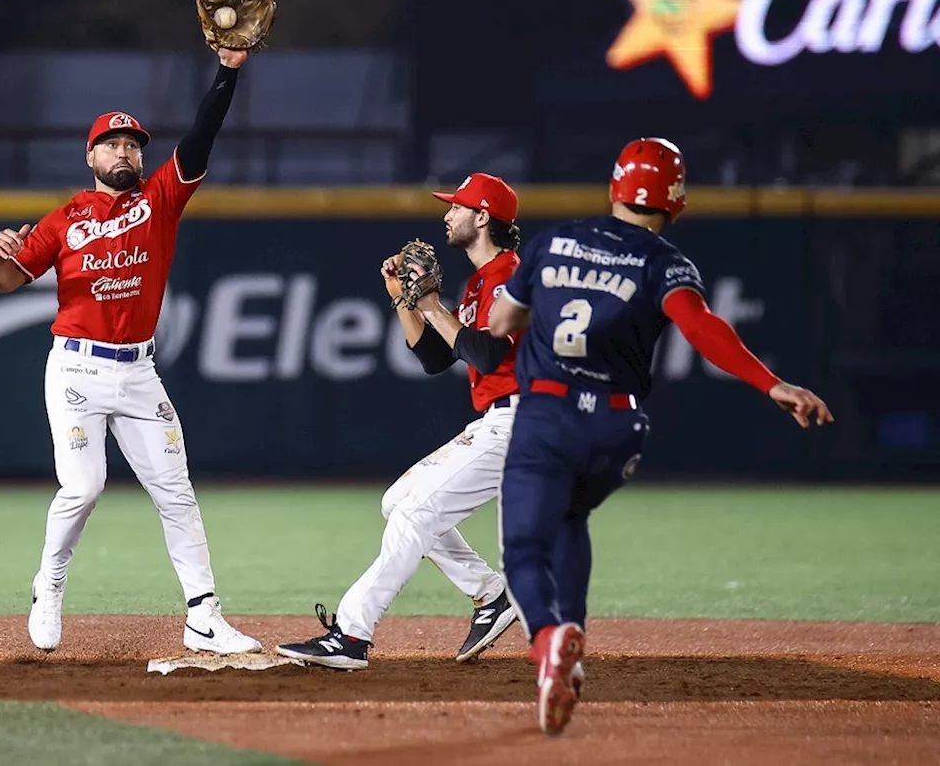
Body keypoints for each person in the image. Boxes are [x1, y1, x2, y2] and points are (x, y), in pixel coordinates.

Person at [487, 137, 834, 735]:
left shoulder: (554, 241)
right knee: (571, 517)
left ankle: (548, 640)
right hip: (618, 427)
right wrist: (770, 383)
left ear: (616, 186)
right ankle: (574, 644)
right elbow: (700, 325)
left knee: (523, 549)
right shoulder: (664, 262)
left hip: (546, 415)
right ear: (676, 201)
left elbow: (501, 322)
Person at [0, 45, 261, 657]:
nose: (125, 151)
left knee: (176, 491)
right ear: (91, 157)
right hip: (77, 369)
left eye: (133, 144)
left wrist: (229, 70)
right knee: (83, 487)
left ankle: (204, 617)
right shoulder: (62, 221)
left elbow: (202, 134)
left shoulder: (161, 199)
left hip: (138, 371)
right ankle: (48, 586)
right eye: (112, 143)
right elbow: (5, 282)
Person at [277, 173, 527, 669]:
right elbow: (438, 358)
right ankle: (490, 595)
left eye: (457, 207)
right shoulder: (481, 280)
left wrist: (432, 303)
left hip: (526, 421)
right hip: (497, 420)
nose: (447, 215)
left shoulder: (509, 276)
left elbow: (487, 352)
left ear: (482, 217)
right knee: (399, 503)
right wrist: (403, 299)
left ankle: (351, 634)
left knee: (416, 515)